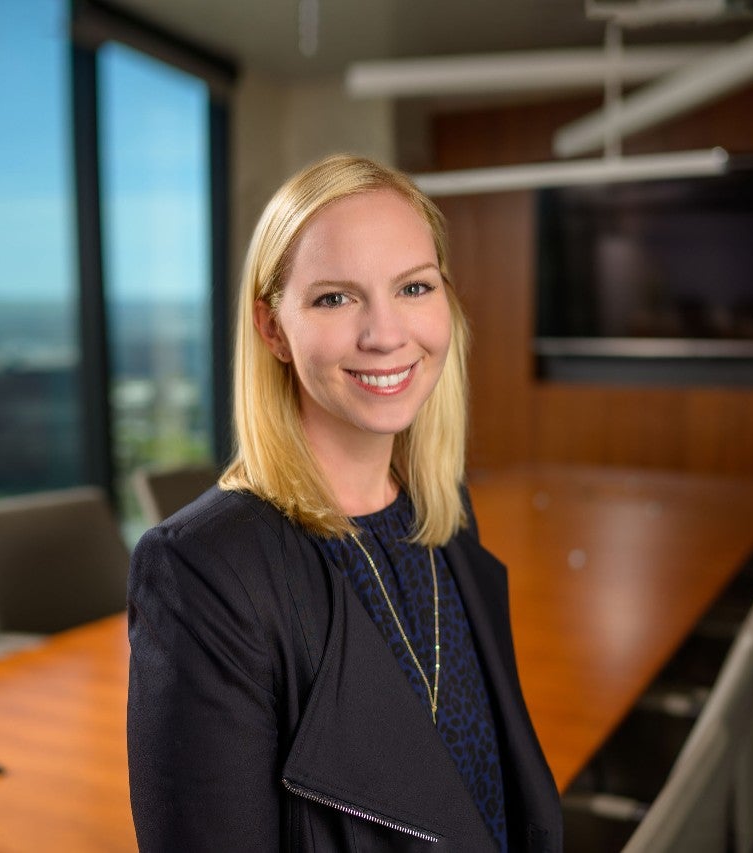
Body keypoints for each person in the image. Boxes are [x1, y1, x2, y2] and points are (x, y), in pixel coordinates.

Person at [127, 154, 562, 852]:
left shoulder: (439, 510)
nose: (386, 334)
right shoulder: (205, 569)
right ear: (272, 329)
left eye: (414, 287)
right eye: (335, 297)